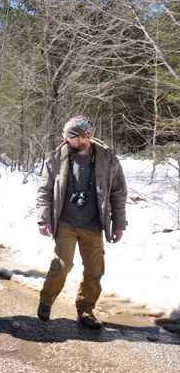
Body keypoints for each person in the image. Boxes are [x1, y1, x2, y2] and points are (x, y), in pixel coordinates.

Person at [36, 116, 127, 330]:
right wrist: (43, 218)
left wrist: (118, 223)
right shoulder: (56, 158)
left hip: (94, 224)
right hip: (65, 222)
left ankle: (86, 310)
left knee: (95, 270)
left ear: (85, 136)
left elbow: (118, 193)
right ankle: (46, 301)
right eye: (64, 135)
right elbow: (44, 190)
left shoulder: (108, 159)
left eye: (70, 136)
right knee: (62, 265)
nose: (65, 140)